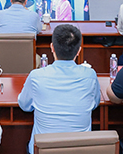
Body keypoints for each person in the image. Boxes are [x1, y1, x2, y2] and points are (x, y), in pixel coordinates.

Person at [18, 24, 101, 153]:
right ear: (79, 51)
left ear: (52, 47)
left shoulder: (36, 76)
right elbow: (94, 103)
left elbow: (24, 105)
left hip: (43, 150)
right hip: (79, 150)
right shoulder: (90, 76)